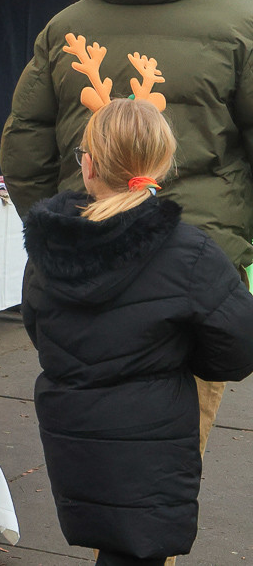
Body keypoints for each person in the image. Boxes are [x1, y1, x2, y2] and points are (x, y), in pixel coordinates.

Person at [1, 0, 253, 457]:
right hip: (196, 263)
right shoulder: (245, 23)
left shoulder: (66, 23)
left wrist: (65, 227)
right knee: (171, 455)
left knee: (98, 436)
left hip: (84, 260)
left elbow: (24, 148)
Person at [21, 97, 253, 566]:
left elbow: (39, 328)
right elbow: (239, 346)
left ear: (88, 165)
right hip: (152, 433)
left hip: (75, 428)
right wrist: (183, 357)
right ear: (161, 164)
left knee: (113, 546)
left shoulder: (49, 248)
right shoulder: (189, 251)